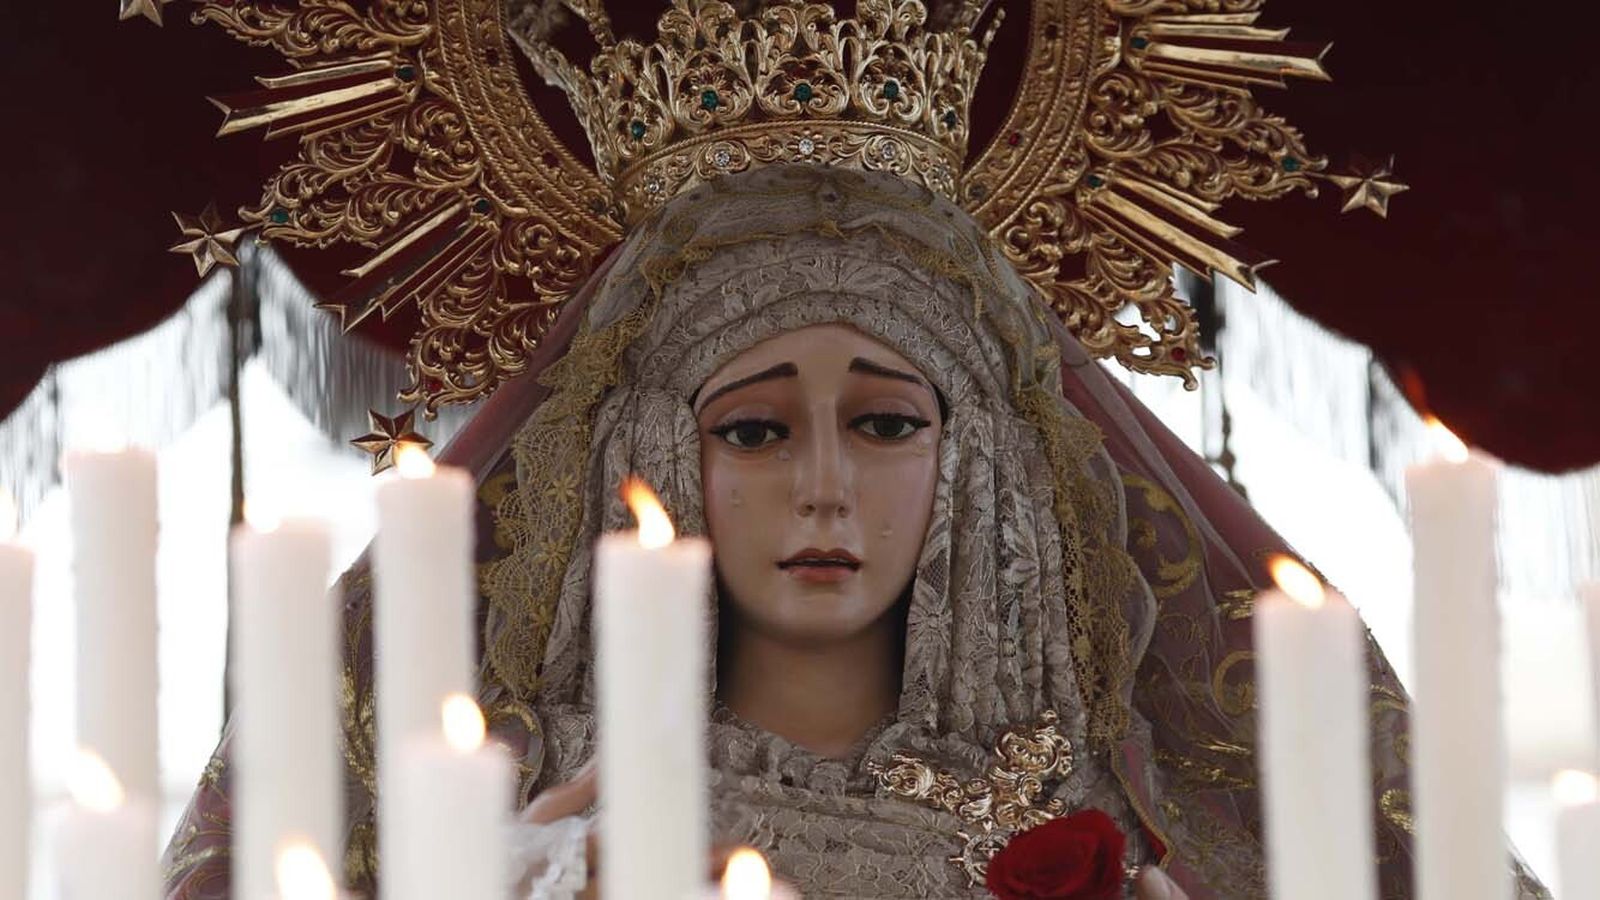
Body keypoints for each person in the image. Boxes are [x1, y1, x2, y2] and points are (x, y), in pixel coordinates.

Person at [162, 166, 1549, 898]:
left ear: (978, 467)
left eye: (885, 423)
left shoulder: (1120, 817)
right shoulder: (523, 813)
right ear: (656, 461)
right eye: (754, 431)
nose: (824, 486)